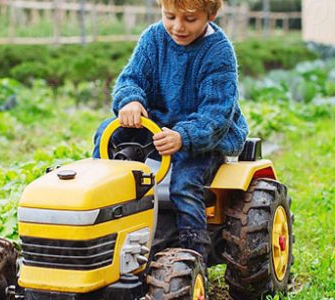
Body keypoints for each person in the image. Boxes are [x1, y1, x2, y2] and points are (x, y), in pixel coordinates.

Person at [92, 0, 248, 260]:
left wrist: (183, 136)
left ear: (211, 14)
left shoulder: (219, 52)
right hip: (157, 126)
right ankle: (105, 208)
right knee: (107, 132)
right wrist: (131, 99)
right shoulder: (153, 39)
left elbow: (216, 115)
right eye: (170, 16)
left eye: (189, 20)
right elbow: (131, 78)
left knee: (184, 185)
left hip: (202, 137)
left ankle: (192, 254)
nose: (178, 27)